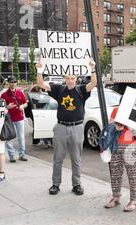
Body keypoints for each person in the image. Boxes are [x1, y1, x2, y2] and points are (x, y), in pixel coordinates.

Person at [36, 59, 97, 196]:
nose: (70, 80)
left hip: (77, 128)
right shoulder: (59, 89)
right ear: (65, 78)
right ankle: (55, 185)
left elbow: (93, 83)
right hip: (61, 128)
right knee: (58, 158)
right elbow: (40, 84)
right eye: (68, 78)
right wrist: (40, 70)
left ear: (76, 78)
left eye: (73, 78)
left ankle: (77, 184)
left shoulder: (81, 89)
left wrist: (92, 68)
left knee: (76, 159)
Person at [102, 107, 136, 212]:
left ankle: (134, 201)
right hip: (115, 145)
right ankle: (116, 197)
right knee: (115, 173)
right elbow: (110, 124)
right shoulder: (116, 109)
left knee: (132, 174)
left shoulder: (134, 111)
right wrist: (115, 125)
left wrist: (125, 125)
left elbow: (134, 129)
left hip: (129, 145)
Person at [1, 76, 28, 162]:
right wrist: (7, 107)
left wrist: (22, 106)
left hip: (19, 118)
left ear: (17, 82)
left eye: (14, 82)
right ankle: (11, 155)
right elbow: (1, 107)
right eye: (11, 82)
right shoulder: (4, 95)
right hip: (9, 119)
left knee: (21, 137)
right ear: (8, 83)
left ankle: (22, 155)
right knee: (9, 138)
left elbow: (25, 103)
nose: (13, 83)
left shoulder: (20, 93)